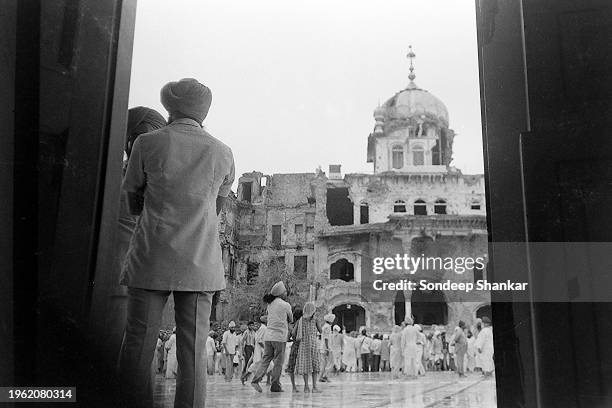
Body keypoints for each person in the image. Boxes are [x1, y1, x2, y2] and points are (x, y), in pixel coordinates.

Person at [117, 78, 235, 408]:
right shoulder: (223, 153)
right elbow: (216, 208)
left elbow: (132, 201)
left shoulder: (147, 143)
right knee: (194, 352)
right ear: (204, 110)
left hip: (151, 256)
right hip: (199, 262)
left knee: (138, 343)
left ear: (169, 106)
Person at [251, 281, 293, 393]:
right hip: (279, 337)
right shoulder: (286, 305)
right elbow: (291, 319)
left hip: (268, 336)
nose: (286, 294)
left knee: (265, 360)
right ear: (281, 294)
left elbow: (269, 317)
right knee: (278, 362)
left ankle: (255, 380)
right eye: (285, 292)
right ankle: (275, 385)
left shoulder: (270, 305)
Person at [295, 302, 323, 393]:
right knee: (315, 366)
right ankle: (314, 387)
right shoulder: (315, 319)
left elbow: (295, 333)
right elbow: (321, 330)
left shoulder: (301, 319)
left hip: (303, 344)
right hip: (313, 344)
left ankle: (306, 387)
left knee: (305, 365)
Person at [286, 306, 303, 392]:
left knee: (291, 366)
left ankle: (294, 387)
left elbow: (288, 337)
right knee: (303, 367)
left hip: (295, 345)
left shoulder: (292, 324)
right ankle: (305, 385)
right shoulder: (302, 323)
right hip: (302, 346)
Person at [319, 313, 335, 382]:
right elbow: (326, 338)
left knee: (324, 363)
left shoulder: (325, 326)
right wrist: (328, 348)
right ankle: (324, 376)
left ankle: (322, 377)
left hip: (323, 347)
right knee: (331, 362)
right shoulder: (327, 327)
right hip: (326, 347)